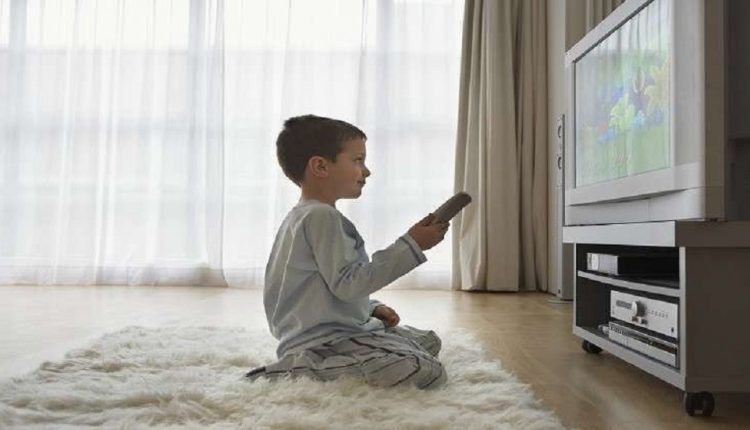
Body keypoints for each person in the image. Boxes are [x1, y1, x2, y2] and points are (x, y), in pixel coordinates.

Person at [246, 114, 450, 389]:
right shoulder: (320, 217)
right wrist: (412, 245)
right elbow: (348, 284)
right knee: (427, 370)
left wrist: (371, 308)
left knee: (429, 341)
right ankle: (299, 369)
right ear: (320, 166)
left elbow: (326, 285)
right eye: (357, 160)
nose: (366, 171)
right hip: (324, 341)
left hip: (342, 330)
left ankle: (359, 353)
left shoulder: (307, 216)